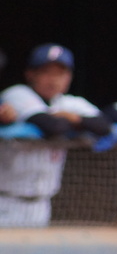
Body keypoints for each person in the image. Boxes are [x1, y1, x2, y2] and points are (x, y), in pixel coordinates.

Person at [0, 43, 111, 227]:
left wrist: (73, 118)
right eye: (46, 72)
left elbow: (104, 126)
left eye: (60, 73)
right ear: (30, 74)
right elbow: (53, 127)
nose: (53, 80)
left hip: (42, 205)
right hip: (6, 202)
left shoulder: (68, 103)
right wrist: (72, 121)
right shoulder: (17, 94)